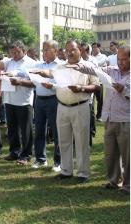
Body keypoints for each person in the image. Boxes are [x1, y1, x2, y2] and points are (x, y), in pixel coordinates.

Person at [35, 40, 100, 183]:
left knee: (81, 141)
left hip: (80, 106)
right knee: (63, 141)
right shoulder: (60, 67)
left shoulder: (88, 66)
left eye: (73, 49)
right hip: (62, 107)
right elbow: (52, 76)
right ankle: (66, 170)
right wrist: (45, 77)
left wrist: (81, 88)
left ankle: (83, 173)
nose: (69, 52)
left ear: (80, 51)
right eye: (67, 50)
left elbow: (96, 86)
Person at [73, 45, 130, 194]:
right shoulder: (112, 69)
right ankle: (113, 180)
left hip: (126, 120)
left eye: (124, 60)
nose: (121, 62)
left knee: (127, 155)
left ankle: (128, 185)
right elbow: (95, 70)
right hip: (110, 118)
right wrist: (80, 66)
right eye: (119, 59)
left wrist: (122, 90)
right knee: (111, 152)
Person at [0, 41, 36, 163]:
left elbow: (34, 82)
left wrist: (19, 81)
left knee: (25, 130)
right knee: (12, 129)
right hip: (9, 100)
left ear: (24, 51)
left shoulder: (31, 63)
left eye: (17, 52)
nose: (14, 55)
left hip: (24, 101)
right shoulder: (9, 62)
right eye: (12, 52)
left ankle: (26, 155)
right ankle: (14, 152)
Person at [30, 40, 62, 172]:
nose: (44, 52)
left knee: (56, 131)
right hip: (39, 99)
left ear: (55, 50)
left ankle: (58, 161)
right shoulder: (38, 65)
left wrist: (52, 86)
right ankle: (40, 159)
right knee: (39, 130)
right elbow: (30, 76)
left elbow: (63, 83)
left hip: (54, 99)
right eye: (43, 49)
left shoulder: (61, 65)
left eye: (47, 49)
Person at [92, 42, 108, 122]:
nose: (94, 49)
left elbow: (99, 65)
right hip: (91, 82)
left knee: (100, 100)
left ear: (99, 48)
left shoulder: (103, 57)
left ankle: (99, 116)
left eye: (95, 47)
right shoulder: (91, 57)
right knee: (91, 99)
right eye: (93, 47)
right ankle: (91, 115)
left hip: (100, 81)